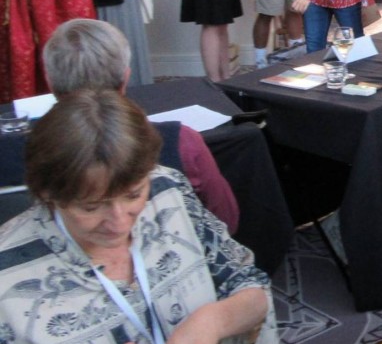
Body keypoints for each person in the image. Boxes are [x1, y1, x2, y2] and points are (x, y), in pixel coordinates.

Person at [0, 90, 278, 344]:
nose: (118, 222)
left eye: (133, 194)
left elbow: (251, 288)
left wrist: (213, 321)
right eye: (91, 207)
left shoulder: (168, 190)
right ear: (47, 194)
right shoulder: (6, 277)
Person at [37, 19, 239, 231]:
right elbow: (224, 220)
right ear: (125, 79)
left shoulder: (25, 151)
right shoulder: (182, 142)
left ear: (49, 81)